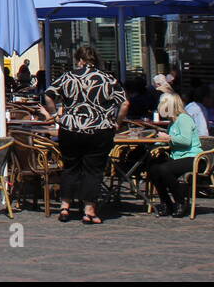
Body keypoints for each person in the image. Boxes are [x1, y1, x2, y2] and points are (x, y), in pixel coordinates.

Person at [43, 44, 129, 225]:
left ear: (79, 60)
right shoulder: (108, 78)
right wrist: (117, 122)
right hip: (99, 129)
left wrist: (55, 115)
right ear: (95, 60)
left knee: (70, 167)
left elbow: (48, 94)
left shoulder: (68, 76)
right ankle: (89, 211)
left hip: (71, 128)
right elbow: (125, 103)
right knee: (93, 170)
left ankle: (65, 207)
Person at [147, 91, 203, 217]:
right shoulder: (172, 122)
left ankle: (180, 202)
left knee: (165, 169)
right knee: (153, 168)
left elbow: (185, 140)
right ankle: (166, 202)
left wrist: (168, 137)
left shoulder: (184, 119)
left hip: (193, 157)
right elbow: (170, 142)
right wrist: (159, 142)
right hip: (177, 156)